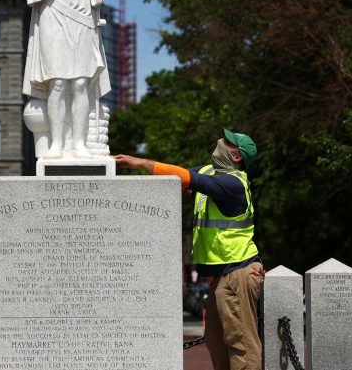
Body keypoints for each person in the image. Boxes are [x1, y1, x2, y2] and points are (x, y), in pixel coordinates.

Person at [113, 129, 264, 370]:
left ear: (236, 156)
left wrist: (140, 162)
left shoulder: (233, 183)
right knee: (216, 342)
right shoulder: (209, 172)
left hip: (238, 271)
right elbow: (179, 176)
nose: (220, 142)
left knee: (242, 345)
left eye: (227, 142)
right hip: (223, 274)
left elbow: (186, 177)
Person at [20, 0, 111, 158]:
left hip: (82, 8)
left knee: (80, 82)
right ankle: (57, 144)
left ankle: (79, 143)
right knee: (57, 82)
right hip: (52, 6)